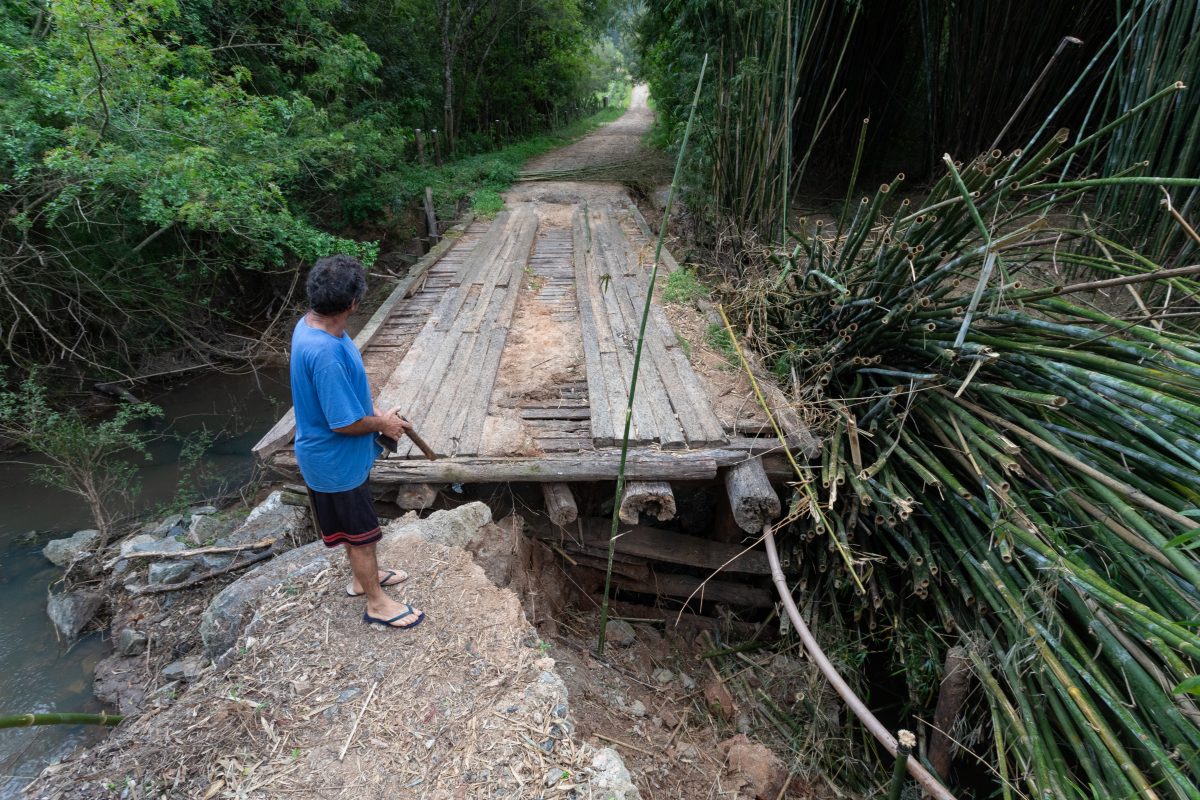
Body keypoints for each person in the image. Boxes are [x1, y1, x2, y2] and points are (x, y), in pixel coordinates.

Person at [290, 254, 425, 630]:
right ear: (352, 303)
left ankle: (361, 579)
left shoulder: (313, 325)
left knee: (354, 530)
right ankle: (377, 604)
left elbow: (341, 400)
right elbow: (345, 422)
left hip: (334, 458)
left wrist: (379, 415)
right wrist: (383, 424)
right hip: (335, 463)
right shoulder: (325, 352)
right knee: (363, 535)